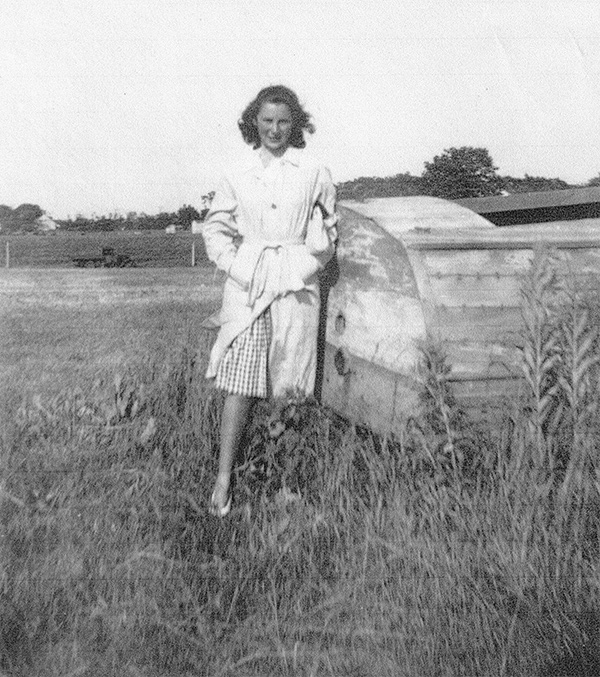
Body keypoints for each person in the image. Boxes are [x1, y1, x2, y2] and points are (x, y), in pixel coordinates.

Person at [201, 85, 338, 516]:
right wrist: (241, 267)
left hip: (296, 286)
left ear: (295, 124)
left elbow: (328, 233)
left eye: (283, 121)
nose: (274, 130)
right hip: (249, 287)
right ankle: (224, 480)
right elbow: (216, 230)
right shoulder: (237, 172)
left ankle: (287, 485)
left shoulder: (314, 169)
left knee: (291, 384)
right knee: (240, 382)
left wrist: (302, 265)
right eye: (266, 121)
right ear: (253, 123)